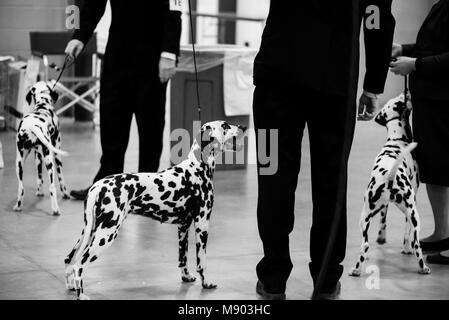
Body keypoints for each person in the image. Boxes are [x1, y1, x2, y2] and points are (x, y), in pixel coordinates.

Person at [253, 0, 395, 299]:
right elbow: (375, 16)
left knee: (272, 174)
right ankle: (327, 279)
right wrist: (373, 84)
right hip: (335, 81)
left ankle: (273, 277)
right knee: (332, 181)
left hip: (275, 77)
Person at [67, 0, 182, 200]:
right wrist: (80, 36)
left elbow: (175, 10)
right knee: (112, 118)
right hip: (118, 53)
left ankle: (148, 188)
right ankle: (107, 184)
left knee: (150, 124)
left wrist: (170, 52)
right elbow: (93, 5)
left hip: (154, 55)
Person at [390, 0, 449, 264]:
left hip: (444, 101)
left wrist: (416, 64)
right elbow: (435, 47)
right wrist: (405, 49)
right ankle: (442, 233)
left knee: (445, 166)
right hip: (432, 101)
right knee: (435, 168)